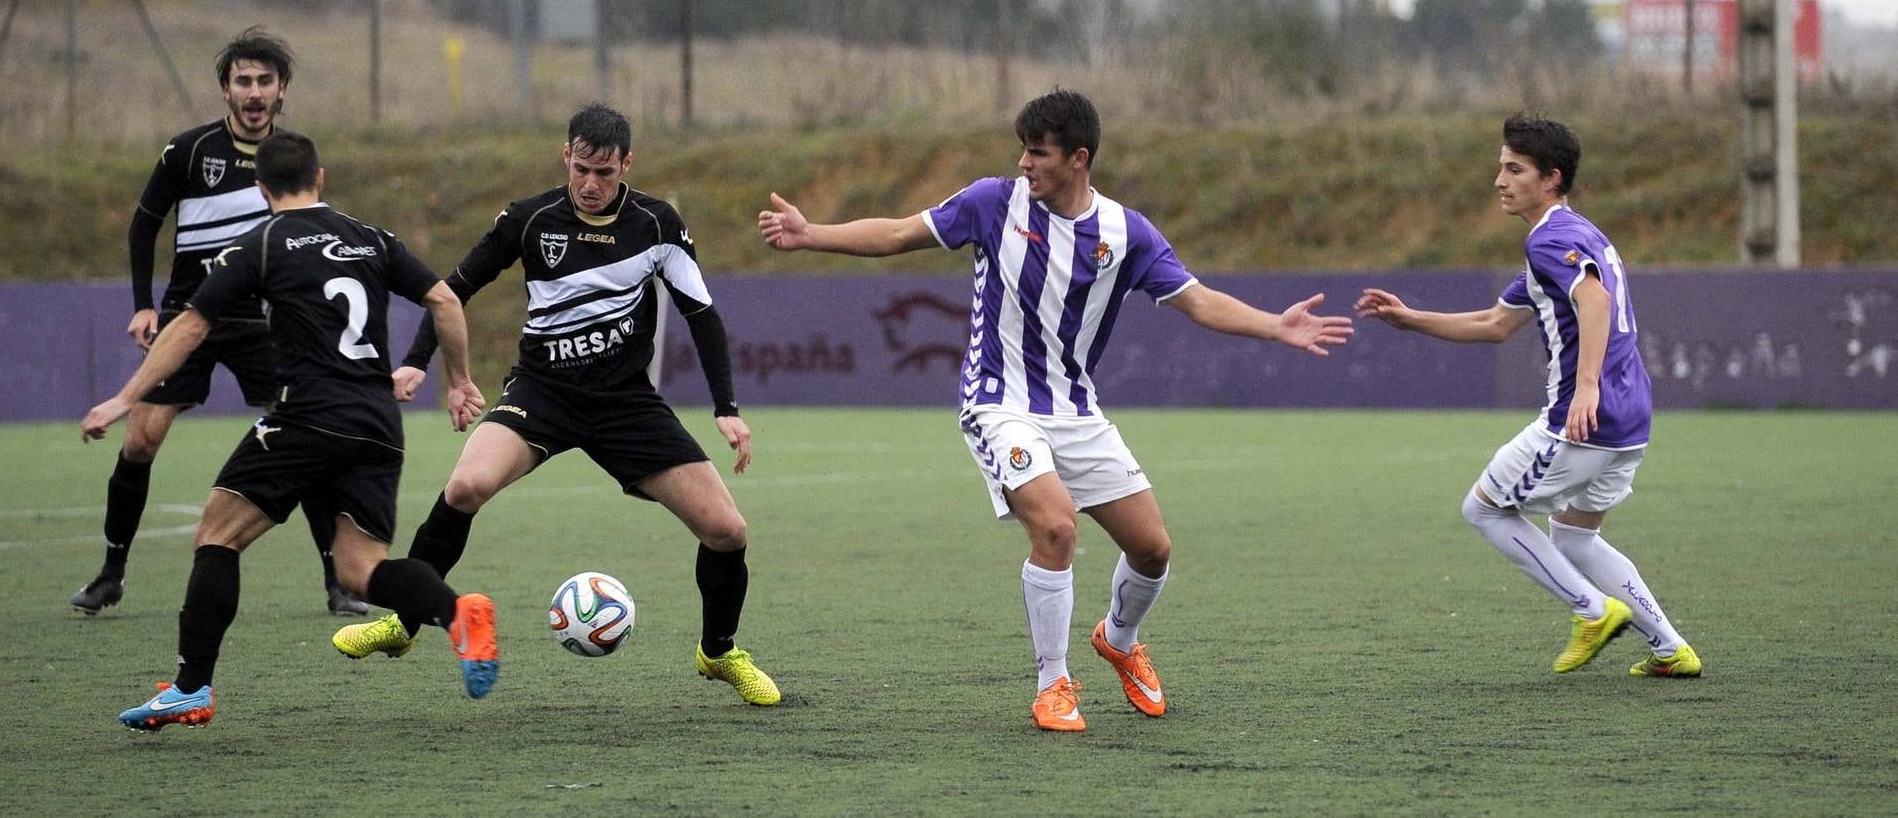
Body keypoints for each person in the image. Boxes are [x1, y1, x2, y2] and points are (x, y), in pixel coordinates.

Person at [757, 89, 1355, 731]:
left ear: (1078, 158)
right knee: (1056, 528)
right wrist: (811, 233)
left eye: (1037, 152)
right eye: (1021, 150)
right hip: (998, 401)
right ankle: (1054, 684)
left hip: (1075, 409)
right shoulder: (993, 202)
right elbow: (901, 233)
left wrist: (1276, 326)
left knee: (1153, 550)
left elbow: (1198, 301)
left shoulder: (1127, 234)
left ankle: (1119, 642)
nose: (1023, 163)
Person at [329, 103, 781, 707]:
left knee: (727, 531)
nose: (591, 185)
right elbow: (453, 291)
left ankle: (719, 653)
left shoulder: (656, 223)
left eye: (606, 173)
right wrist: (417, 359)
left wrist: (726, 405)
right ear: (565, 156)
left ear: (627, 165)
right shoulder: (529, 219)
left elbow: (701, 313)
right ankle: (405, 623)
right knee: (465, 487)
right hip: (542, 394)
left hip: (626, 405)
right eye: (582, 169)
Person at [81, 130, 499, 731]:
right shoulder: (370, 236)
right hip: (377, 421)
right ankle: (456, 613)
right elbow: (444, 300)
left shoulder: (260, 242)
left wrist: (126, 397)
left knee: (218, 534)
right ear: (320, 179)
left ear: (260, 188)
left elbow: (191, 326)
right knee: (361, 570)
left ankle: (191, 688)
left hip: (305, 414)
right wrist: (457, 381)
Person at [1354, 113, 1700, 678]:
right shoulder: (1575, 235)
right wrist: (1410, 318)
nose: (1500, 179)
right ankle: (1670, 648)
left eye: (1515, 169)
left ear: (1551, 178)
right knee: (1573, 537)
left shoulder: (1550, 240)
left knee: (1484, 509)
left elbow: (1594, 301)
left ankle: (1591, 611)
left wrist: (1585, 387)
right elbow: (1494, 323)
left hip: (1582, 417)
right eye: (1500, 167)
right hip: (1630, 417)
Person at [71, 27, 368, 618]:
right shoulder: (187, 151)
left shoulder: (292, 158)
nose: (253, 92)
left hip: (264, 325)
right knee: (142, 439)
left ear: (282, 90)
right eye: (243, 81)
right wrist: (143, 303)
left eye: (264, 81)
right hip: (191, 317)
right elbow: (143, 226)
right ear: (225, 90)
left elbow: (312, 236)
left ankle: (336, 583)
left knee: (302, 439)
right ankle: (110, 573)